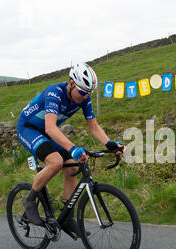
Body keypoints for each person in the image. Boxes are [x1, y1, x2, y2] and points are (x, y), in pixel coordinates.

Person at [16, 62, 124, 237]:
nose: (84, 97)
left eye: (88, 94)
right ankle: (30, 199)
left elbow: (94, 127)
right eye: (82, 92)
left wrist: (109, 144)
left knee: (73, 166)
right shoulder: (54, 93)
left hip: (46, 130)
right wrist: (73, 148)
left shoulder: (84, 98)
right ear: (71, 83)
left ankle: (67, 217)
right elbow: (51, 128)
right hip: (28, 128)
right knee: (56, 162)